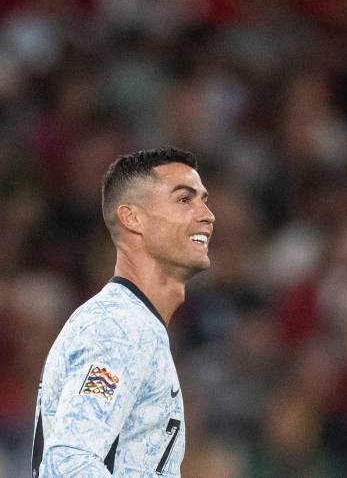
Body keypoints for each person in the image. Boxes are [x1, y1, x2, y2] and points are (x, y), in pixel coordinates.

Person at [31, 147, 215, 476]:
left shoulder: (134, 323)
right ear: (132, 218)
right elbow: (69, 464)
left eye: (204, 200)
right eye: (184, 199)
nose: (208, 215)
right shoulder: (116, 327)